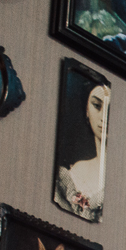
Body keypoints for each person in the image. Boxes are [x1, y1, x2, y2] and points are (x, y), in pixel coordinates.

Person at [54, 78, 110, 222]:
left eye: (110, 109)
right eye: (97, 105)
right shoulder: (76, 171)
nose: (104, 116)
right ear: (86, 110)